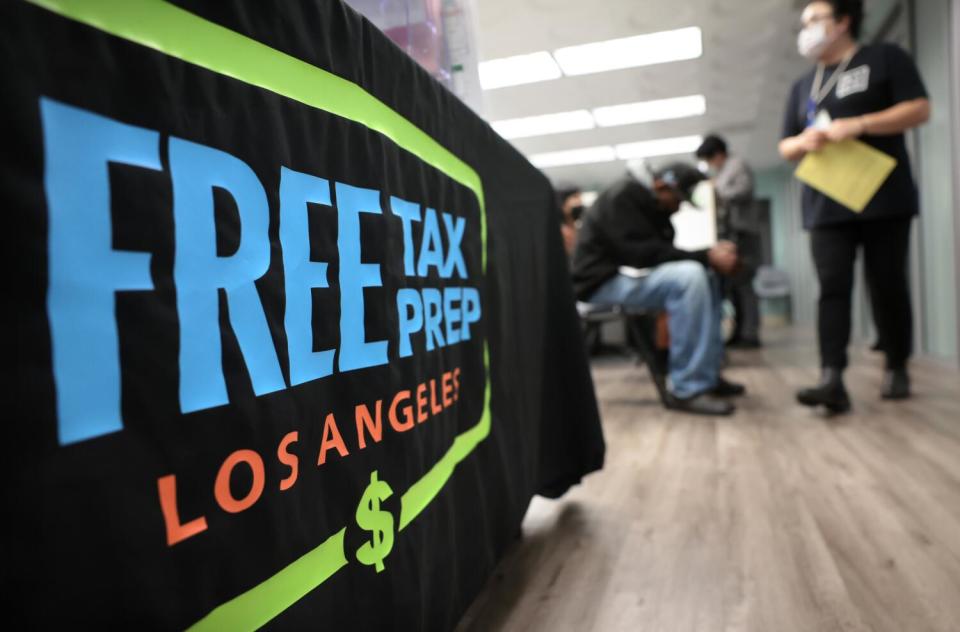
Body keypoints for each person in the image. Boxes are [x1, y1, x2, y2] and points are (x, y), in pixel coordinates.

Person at [779, 0, 930, 412]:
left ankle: (896, 364)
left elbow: (919, 108)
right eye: (804, 22)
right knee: (832, 287)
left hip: (882, 196)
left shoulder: (884, 59)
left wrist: (861, 124)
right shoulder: (802, 86)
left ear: (843, 21)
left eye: (815, 20)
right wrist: (802, 142)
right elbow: (785, 144)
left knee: (887, 283)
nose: (806, 28)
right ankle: (832, 378)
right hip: (826, 203)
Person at [571, 161, 745, 416]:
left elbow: (661, 253)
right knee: (689, 277)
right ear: (662, 186)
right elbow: (640, 255)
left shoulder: (655, 211)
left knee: (707, 275)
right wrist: (707, 255)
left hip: (621, 276)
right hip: (598, 285)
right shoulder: (624, 196)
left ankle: (707, 375)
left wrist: (711, 258)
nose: (677, 208)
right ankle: (686, 388)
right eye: (677, 200)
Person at [696, 134, 762, 349]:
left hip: (744, 235)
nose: (710, 165)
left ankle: (750, 334)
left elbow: (743, 190)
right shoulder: (724, 171)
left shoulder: (737, 165)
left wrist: (717, 190)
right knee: (734, 288)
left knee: (744, 285)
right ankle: (739, 332)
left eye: (709, 159)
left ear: (718, 154)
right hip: (732, 235)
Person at [556, 185, 584, 257]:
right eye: (575, 196)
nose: (579, 201)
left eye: (579, 197)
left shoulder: (578, 228)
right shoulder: (561, 232)